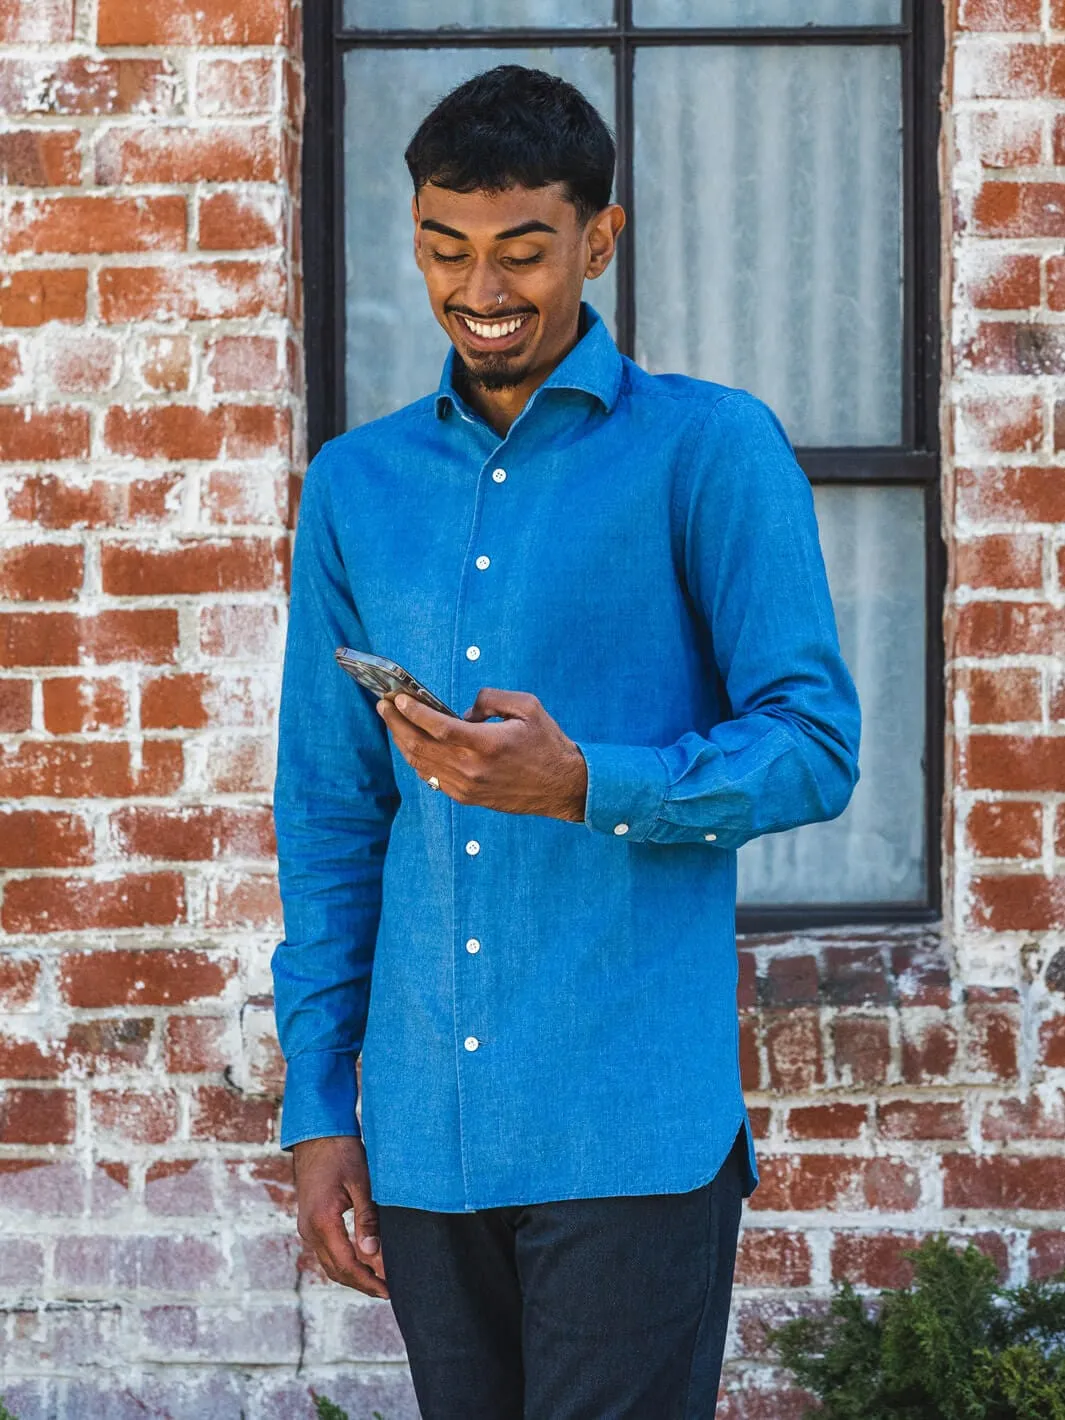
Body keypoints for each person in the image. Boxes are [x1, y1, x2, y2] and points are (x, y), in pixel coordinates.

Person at [271, 63, 861, 1420]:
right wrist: (320, 1102)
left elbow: (815, 741)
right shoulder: (355, 486)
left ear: (599, 239)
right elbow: (331, 810)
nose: (480, 286)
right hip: (426, 1133)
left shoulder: (711, 450)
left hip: (628, 1130)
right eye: (444, 247)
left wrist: (590, 783)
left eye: (523, 249)